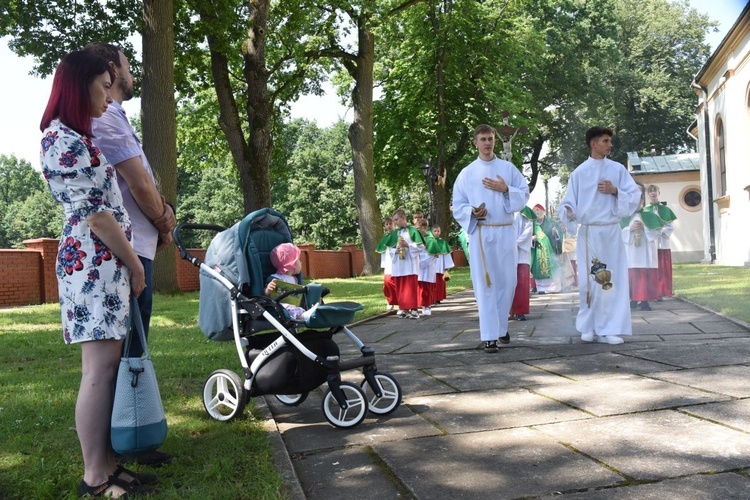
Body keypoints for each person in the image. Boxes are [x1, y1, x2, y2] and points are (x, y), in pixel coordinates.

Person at [40, 50, 156, 498]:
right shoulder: (62, 138)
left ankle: (106, 464)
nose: (109, 96)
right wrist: (133, 264)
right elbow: (98, 217)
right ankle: (94, 476)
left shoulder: (74, 134)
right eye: (104, 87)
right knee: (98, 371)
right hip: (95, 263)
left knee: (106, 368)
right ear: (80, 83)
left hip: (98, 263)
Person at [85, 43, 175, 466]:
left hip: (135, 246)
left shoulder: (114, 116)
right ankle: (117, 448)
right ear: (110, 70)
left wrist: (161, 218)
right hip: (124, 251)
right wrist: (165, 220)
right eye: (124, 65)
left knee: (131, 350)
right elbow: (139, 183)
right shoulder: (106, 118)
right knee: (120, 356)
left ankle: (130, 438)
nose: (129, 71)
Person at [558, 126, 641, 345]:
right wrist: (568, 210)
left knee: (612, 281)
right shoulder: (579, 173)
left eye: (609, 141)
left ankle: (610, 328)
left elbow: (634, 196)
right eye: (605, 141)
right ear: (593, 144)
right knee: (589, 281)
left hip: (610, 232)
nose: (610, 145)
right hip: (589, 233)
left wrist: (615, 191)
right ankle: (589, 326)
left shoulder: (618, 170)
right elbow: (567, 202)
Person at [452, 124, 530, 353]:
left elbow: (523, 194)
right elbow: (458, 205)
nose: (487, 143)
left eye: (490, 138)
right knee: (485, 284)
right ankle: (489, 336)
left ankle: (501, 326)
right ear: (475, 142)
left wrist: (506, 189)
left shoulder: (508, 168)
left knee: (508, 282)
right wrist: (472, 212)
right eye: (483, 139)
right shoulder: (467, 173)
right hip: (482, 234)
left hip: (505, 231)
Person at [621, 183, 663, 311]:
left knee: (644, 276)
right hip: (631, 253)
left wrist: (646, 228)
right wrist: (629, 229)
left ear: (642, 201)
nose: (637, 202)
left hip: (645, 253)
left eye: (640, 199)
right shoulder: (624, 217)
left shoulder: (650, 215)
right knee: (632, 276)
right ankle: (632, 299)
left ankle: (644, 301)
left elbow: (658, 231)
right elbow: (617, 233)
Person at [264, 243, 320, 320]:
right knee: (290, 308)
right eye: (299, 260)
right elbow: (265, 296)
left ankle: (314, 309)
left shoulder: (294, 279)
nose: (301, 262)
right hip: (281, 307)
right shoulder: (275, 278)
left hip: (294, 304)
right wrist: (268, 290)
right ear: (292, 264)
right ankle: (305, 316)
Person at [389, 209, 425, 319]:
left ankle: (414, 309)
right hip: (398, 265)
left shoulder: (413, 230)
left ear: (403, 218)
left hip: (410, 264)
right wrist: (395, 250)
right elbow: (389, 249)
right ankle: (404, 308)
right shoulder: (395, 233)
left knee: (410, 287)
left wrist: (407, 245)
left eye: (396, 219)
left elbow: (421, 247)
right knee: (400, 287)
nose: (394, 222)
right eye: (393, 220)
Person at [644, 184, 677, 300]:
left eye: (655, 191)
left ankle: (663, 291)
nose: (653, 193)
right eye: (650, 191)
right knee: (652, 267)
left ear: (659, 193)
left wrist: (660, 231)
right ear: (647, 194)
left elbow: (671, 226)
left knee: (662, 266)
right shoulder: (645, 210)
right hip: (651, 242)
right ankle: (653, 291)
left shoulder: (666, 209)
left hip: (663, 242)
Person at [530, 204, 564, 294]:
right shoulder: (532, 224)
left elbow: (559, 233)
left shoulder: (551, 222)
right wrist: (532, 239)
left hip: (550, 250)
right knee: (538, 268)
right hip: (537, 250)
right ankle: (541, 289)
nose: (538, 219)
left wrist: (555, 232)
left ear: (543, 214)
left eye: (540, 216)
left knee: (552, 266)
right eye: (536, 217)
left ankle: (554, 288)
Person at [510, 206, 535, 321]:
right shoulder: (501, 207)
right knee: (506, 283)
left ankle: (520, 311)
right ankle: (506, 311)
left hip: (521, 254)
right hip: (505, 252)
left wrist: (515, 243)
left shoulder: (525, 211)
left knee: (521, 283)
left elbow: (528, 230)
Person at [416, 219, 439, 316]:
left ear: (424, 228)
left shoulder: (431, 239)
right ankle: (418, 305)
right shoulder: (416, 238)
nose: (417, 230)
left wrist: (421, 262)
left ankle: (426, 305)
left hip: (428, 267)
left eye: (418, 228)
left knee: (426, 288)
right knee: (418, 287)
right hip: (417, 266)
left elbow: (433, 255)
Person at [376, 217, 398, 311]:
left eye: (390, 223)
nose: (389, 226)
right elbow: (383, 251)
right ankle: (390, 301)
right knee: (387, 283)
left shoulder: (398, 235)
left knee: (397, 283)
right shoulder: (385, 238)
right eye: (387, 224)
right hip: (388, 264)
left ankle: (400, 301)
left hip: (397, 262)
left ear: (394, 224)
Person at [430, 224, 454, 305]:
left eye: (438, 231)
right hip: (431, 265)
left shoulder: (443, 242)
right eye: (435, 231)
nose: (436, 233)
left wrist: (447, 267)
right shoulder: (429, 241)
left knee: (439, 283)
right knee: (431, 283)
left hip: (440, 266)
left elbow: (447, 255)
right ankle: (431, 298)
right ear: (431, 232)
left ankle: (438, 298)